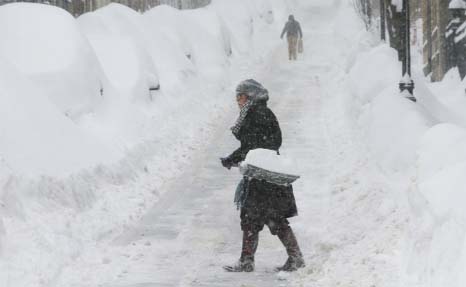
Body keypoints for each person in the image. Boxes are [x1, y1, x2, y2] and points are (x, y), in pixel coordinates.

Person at [221, 79, 305, 272]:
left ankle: (292, 258)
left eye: (240, 96)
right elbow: (258, 144)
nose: (238, 100)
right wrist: (235, 158)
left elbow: (252, 145)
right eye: (237, 96)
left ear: (249, 96)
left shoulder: (257, 114)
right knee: (256, 217)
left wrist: (232, 158)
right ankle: (250, 260)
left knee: (266, 217)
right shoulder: (259, 112)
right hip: (264, 174)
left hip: (264, 177)